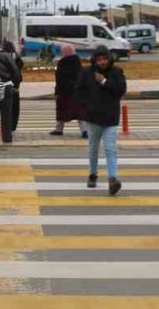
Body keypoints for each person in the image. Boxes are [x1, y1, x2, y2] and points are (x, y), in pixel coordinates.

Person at [75, 46, 127, 196]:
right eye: (99, 60)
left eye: (105, 59)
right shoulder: (86, 72)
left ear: (109, 59)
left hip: (111, 117)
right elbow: (78, 91)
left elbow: (121, 90)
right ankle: (93, 173)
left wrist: (104, 81)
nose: (102, 62)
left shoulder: (116, 72)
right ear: (94, 60)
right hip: (93, 117)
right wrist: (85, 108)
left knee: (110, 148)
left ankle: (112, 179)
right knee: (93, 147)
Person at [0, 37, 21, 143]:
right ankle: (7, 138)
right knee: (6, 114)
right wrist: (15, 85)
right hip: (6, 86)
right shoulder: (6, 56)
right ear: (0, 45)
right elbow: (15, 72)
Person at [51, 44, 86, 138]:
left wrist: (57, 91)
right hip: (77, 92)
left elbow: (59, 79)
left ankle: (59, 129)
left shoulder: (62, 63)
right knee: (79, 112)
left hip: (64, 91)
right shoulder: (77, 62)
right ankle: (84, 131)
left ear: (64, 52)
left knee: (61, 111)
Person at [2, 39, 25, 133]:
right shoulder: (16, 57)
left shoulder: (3, 57)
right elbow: (21, 66)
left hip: (6, 84)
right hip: (15, 85)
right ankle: (13, 126)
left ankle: (7, 126)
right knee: (15, 107)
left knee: (7, 107)